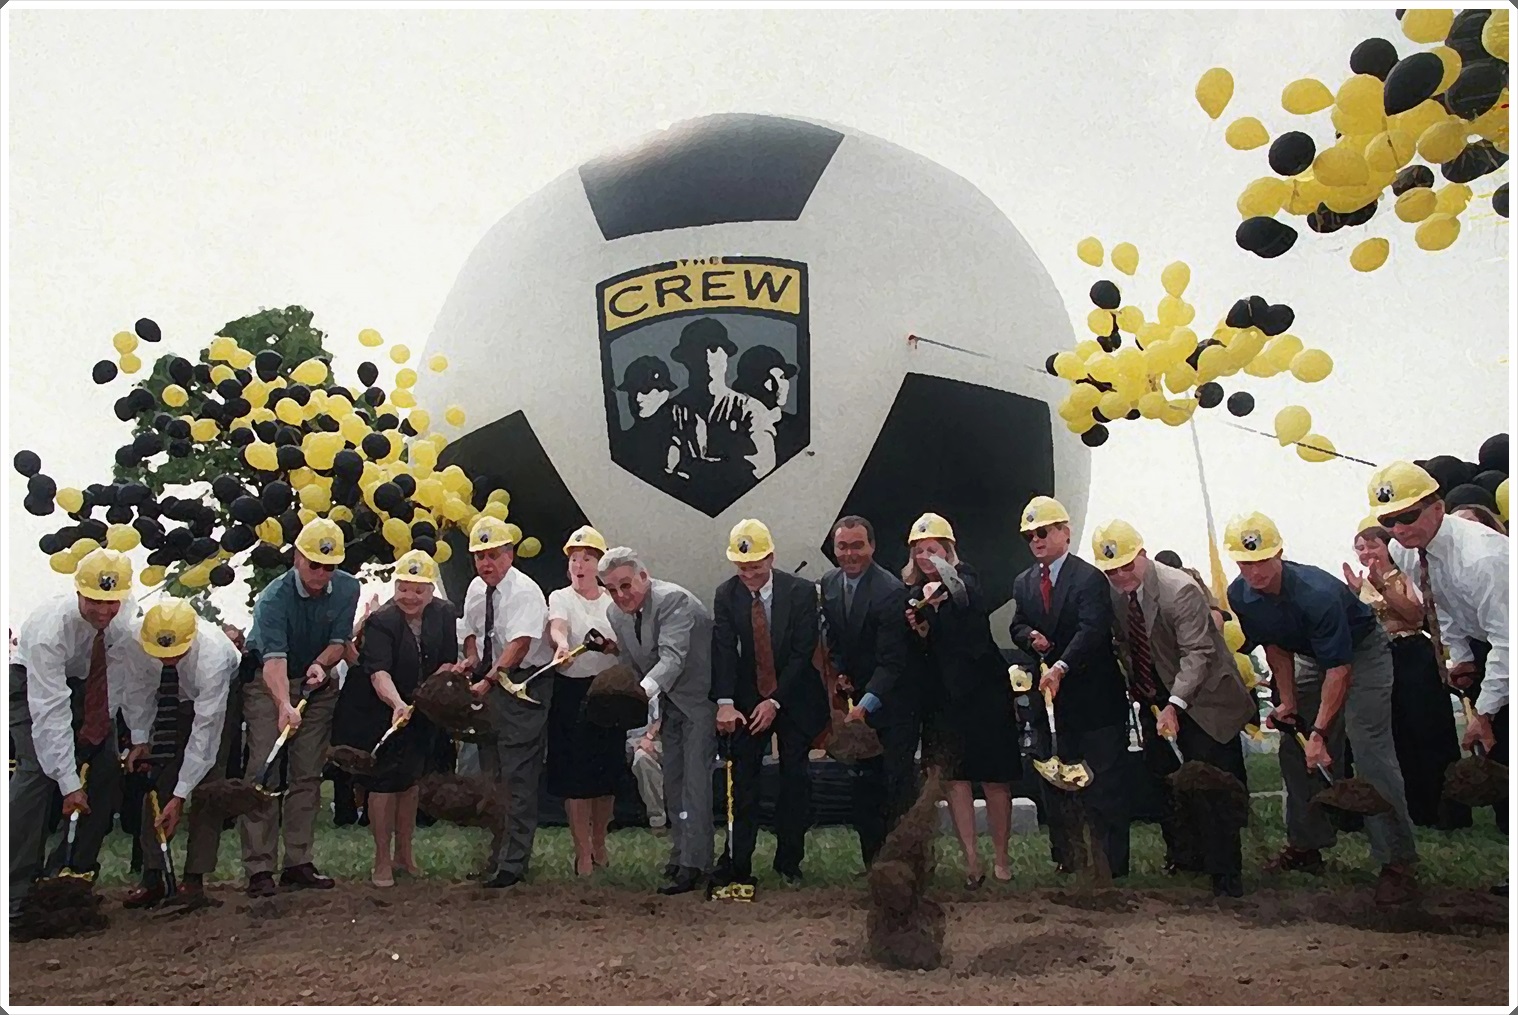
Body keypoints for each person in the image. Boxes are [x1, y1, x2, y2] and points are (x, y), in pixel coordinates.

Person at [1225, 510, 1418, 905]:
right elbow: (1274, 646)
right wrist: (1289, 703)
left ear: (1280, 553)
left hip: (1362, 652)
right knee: (1292, 745)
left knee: (1368, 745)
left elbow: (1340, 670)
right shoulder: (1239, 594)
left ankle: (1397, 861)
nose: (1254, 572)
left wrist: (1319, 732)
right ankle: (1307, 844)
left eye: (1262, 561)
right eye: (1245, 563)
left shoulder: (1317, 593)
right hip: (1309, 656)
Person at [1090, 520, 1255, 897]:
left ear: (1143, 554)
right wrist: (1144, 691)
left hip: (1206, 699)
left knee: (1211, 781)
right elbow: (1125, 641)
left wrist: (1174, 705)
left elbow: (1198, 654)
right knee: (1167, 777)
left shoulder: (1180, 590)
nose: (1120, 576)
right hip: (1156, 694)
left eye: (1126, 566)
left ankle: (1225, 874)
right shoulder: (1114, 593)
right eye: (1112, 571)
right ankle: (1184, 859)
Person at [1370, 461, 1508, 892]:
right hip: (1490, 644)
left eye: (1408, 516)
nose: (1399, 529)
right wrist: (1461, 657)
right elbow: (1440, 606)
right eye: (1388, 521)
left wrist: (1484, 712)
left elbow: (1509, 641)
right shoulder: (1408, 552)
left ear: (1437, 507)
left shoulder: (1483, 557)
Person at [9, 549, 139, 924]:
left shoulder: (125, 615)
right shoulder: (48, 631)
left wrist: (112, 733)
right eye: (94, 601)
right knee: (38, 771)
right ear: (78, 592)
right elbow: (49, 711)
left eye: (111, 603)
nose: (104, 611)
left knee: (106, 771)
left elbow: (119, 679)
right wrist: (69, 784)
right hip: (32, 685)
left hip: (90, 687)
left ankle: (70, 878)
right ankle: (15, 891)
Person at [1008, 496, 1131, 878]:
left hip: (1095, 699)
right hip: (1053, 705)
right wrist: (1031, 637)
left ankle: (1111, 863)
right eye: (1029, 536)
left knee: (1103, 782)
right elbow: (1017, 625)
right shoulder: (1024, 582)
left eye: (1043, 532)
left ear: (1064, 532)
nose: (1036, 540)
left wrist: (1061, 665)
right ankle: (1068, 856)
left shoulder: (1089, 578)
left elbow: (1092, 629)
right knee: (1057, 780)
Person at [241, 518, 361, 897]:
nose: (322, 574)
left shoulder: (349, 588)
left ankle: (298, 861)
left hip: (317, 682)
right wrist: (283, 705)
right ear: (297, 557)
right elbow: (273, 661)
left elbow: (340, 641)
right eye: (315, 565)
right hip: (269, 682)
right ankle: (259, 867)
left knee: (307, 773)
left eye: (330, 567)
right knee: (263, 769)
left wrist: (321, 665)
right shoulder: (272, 599)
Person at [711, 519, 828, 892]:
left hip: (794, 695)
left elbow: (803, 652)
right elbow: (724, 650)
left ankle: (789, 862)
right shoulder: (726, 595)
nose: (748, 575)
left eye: (756, 567)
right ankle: (738, 863)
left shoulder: (801, 592)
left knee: (795, 779)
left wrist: (775, 700)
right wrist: (726, 703)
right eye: (742, 567)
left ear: (771, 558)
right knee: (744, 781)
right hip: (747, 699)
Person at [905, 512, 1020, 888]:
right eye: (919, 550)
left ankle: (1001, 860)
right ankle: (972, 861)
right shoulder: (913, 595)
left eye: (933, 549)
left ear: (948, 550)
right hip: (943, 699)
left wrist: (938, 595)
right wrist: (921, 629)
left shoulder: (967, 578)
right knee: (955, 780)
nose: (925, 556)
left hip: (984, 695)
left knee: (994, 778)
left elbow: (965, 601)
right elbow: (924, 649)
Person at [332, 550, 459, 887]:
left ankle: (405, 855)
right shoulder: (381, 621)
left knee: (411, 779)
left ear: (431, 591)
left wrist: (430, 693)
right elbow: (378, 673)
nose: (410, 597)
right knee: (384, 782)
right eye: (403, 588)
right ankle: (382, 860)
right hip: (378, 706)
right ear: (394, 587)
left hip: (422, 705)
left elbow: (447, 659)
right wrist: (398, 704)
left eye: (418, 590)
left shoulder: (445, 613)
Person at [598, 547, 716, 895]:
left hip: (699, 704)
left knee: (695, 785)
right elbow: (632, 660)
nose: (620, 595)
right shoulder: (615, 614)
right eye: (611, 589)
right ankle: (681, 854)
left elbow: (672, 658)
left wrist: (638, 694)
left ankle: (698, 864)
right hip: (667, 707)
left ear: (643, 576)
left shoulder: (674, 601)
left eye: (625, 585)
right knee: (674, 785)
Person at [1344, 518, 1467, 829]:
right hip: (1380, 658)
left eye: (1372, 545)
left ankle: (1445, 810)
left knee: (1426, 726)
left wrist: (1383, 587)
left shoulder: (1405, 574)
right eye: (1360, 548)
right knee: (1397, 731)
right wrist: (1356, 593)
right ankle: (1412, 808)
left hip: (1412, 653)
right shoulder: (1362, 583)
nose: (1366, 552)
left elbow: (1414, 615)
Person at [119, 599, 239, 909]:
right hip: (168, 699)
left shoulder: (213, 654)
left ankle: (194, 879)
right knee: (156, 778)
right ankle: (152, 875)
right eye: (160, 654)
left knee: (208, 787)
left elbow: (205, 734)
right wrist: (140, 739)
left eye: (176, 653)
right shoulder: (134, 641)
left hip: (214, 701)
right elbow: (137, 690)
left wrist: (181, 795)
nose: (168, 659)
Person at [460, 516, 554, 889]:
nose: (486, 563)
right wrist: (470, 660)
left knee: (517, 775)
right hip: (489, 683)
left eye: (493, 555)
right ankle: (496, 856)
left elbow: (520, 646)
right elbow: (470, 631)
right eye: (479, 556)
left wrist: (487, 680)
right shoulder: (475, 588)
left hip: (522, 684)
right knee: (491, 776)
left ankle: (514, 863)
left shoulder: (525, 591)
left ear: (510, 555)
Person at [822, 515, 916, 871]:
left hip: (892, 705)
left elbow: (893, 662)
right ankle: (872, 864)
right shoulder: (829, 584)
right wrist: (841, 673)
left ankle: (902, 864)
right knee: (863, 790)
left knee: (895, 788)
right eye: (842, 547)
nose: (850, 554)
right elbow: (836, 640)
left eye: (857, 546)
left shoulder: (890, 591)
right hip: (857, 702)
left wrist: (865, 705)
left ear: (872, 547)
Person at [545, 526, 624, 877]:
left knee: (606, 774)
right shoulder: (560, 597)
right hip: (571, 693)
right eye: (574, 559)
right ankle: (582, 852)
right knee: (575, 775)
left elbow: (627, 645)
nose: (579, 565)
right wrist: (561, 645)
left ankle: (600, 842)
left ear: (600, 566)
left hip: (607, 693)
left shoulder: (613, 601)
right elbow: (557, 627)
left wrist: (612, 648)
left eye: (587, 559)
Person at [627, 699, 665, 832]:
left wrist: (648, 738)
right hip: (628, 740)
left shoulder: (660, 692)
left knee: (642, 757)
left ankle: (657, 820)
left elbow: (661, 719)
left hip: (659, 740)